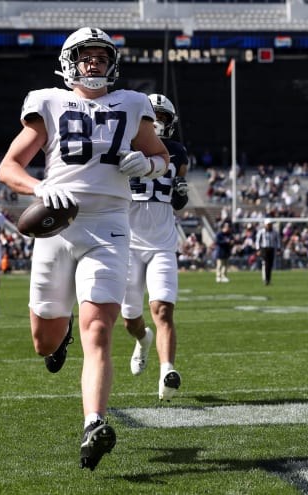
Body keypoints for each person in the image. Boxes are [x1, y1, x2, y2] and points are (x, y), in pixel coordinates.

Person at [0, 27, 169, 471]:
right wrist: (40, 188)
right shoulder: (48, 101)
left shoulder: (133, 103)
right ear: (70, 61)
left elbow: (162, 156)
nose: (93, 62)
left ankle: (95, 423)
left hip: (109, 223)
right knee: (43, 340)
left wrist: (147, 163)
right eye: (85, 55)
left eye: (100, 56)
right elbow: (8, 168)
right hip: (57, 221)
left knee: (100, 329)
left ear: (112, 62)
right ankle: (60, 334)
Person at [121, 93, 188, 402]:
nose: (157, 122)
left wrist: (181, 192)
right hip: (128, 245)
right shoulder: (122, 146)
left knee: (162, 309)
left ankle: (167, 370)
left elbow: (179, 200)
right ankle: (143, 341)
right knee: (130, 319)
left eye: (162, 117)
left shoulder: (177, 154)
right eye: (153, 116)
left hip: (162, 243)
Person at [255, 218, 281, 286]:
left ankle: (268, 279)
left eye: (270, 224)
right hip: (264, 249)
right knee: (266, 264)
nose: (269, 226)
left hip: (271, 249)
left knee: (270, 265)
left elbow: (277, 241)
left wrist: (278, 249)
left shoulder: (274, 232)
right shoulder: (261, 232)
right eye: (268, 224)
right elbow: (258, 241)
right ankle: (266, 279)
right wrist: (258, 249)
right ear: (265, 225)